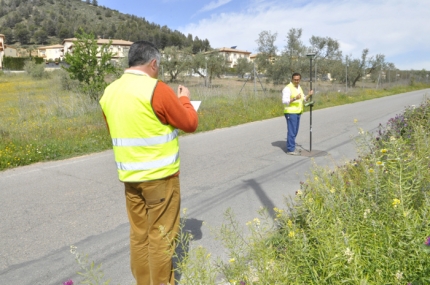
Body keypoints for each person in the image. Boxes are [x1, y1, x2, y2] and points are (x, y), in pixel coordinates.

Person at [99, 41, 198, 285]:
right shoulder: (156, 89)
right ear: (153, 63)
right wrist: (185, 99)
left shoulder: (109, 92)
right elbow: (189, 123)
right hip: (160, 179)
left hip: (130, 179)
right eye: (159, 66)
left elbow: (116, 131)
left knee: (139, 235)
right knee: (161, 237)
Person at [282, 73, 313, 155]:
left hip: (298, 112)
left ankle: (291, 146)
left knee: (295, 131)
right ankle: (290, 149)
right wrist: (295, 98)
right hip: (290, 112)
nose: (296, 81)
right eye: (295, 79)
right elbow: (284, 101)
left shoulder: (299, 87)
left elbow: (303, 99)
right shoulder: (288, 88)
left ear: (300, 79)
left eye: (298, 79)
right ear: (292, 79)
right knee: (292, 131)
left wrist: (309, 95)